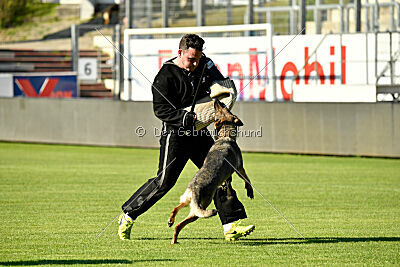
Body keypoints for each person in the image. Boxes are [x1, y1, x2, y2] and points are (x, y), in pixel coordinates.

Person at [118, 34, 255, 241]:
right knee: (164, 181)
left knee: (220, 174)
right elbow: (160, 110)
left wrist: (224, 91)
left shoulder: (204, 64)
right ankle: (128, 214)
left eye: (198, 58)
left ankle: (230, 226)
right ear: (180, 53)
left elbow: (219, 80)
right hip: (176, 133)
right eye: (191, 59)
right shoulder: (165, 76)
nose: (195, 63)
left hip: (199, 132)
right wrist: (184, 117)